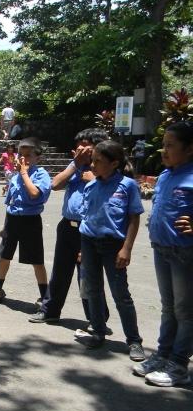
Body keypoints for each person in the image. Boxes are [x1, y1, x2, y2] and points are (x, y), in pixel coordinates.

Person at [29, 129, 109, 327]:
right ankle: (50, 310)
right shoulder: (75, 166)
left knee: (88, 276)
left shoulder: (103, 171)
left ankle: (96, 318)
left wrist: (94, 178)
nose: (80, 149)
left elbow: (111, 197)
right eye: (78, 146)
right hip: (67, 226)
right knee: (60, 272)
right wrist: (75, 165)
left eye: (86, 146)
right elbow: (54, 184)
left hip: (89, 228)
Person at [135, 121, 193, 385]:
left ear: (190, 149)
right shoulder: (168, 175)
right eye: (163, 145)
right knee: (168, 307)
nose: (163, 150)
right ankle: (163, 354)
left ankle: (179, 364)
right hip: (162, 249)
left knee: (185, 310)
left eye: (170, 146)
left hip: (185, 252)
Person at [76, 140, 145, 362]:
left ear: (114, 163)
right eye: (92, 160)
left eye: (98, 161)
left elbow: (134, 218)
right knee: (94, 290)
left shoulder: (127, 186)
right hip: (89, 243)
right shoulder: (91, 185)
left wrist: (127, 249)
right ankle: (98, 331)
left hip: (113, 246)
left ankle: (134, 340)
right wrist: (82, 249)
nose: (93, 165)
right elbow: (86, 218)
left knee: (120, 294)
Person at [0, 137, 51, 306]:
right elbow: (11, 202)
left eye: (28, 155)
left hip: (31, 221)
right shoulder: (15, 177)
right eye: (20, 155)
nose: (23, 159)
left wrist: (23, 174)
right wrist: (4, 225)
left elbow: (35, 194)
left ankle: (45, 295)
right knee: (4, 255)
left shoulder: (41, 174)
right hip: (12, 220)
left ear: (38, 157)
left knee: (36, 259)